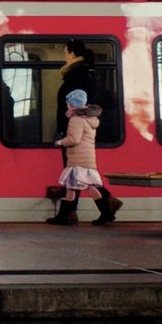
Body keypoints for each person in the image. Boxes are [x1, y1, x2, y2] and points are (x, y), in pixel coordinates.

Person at [45, 89, 123, 225]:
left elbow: (74, 139)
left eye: (68, 103)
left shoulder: (76, 119)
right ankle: (105, 213)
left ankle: (66, 216)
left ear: (73, 104)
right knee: (80, 187)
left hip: (78, 159)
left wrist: (60, 142)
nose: (67, 106)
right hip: (87, 158)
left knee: (77, 187)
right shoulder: (90, 119)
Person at [55, 39, 98, 140]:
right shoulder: (81, 73)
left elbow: (77, 107)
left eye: (66, 53)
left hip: (74, 132)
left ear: (72, 54)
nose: (65, 56)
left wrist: (65, 130)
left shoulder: (77, 75)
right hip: (77, 130)